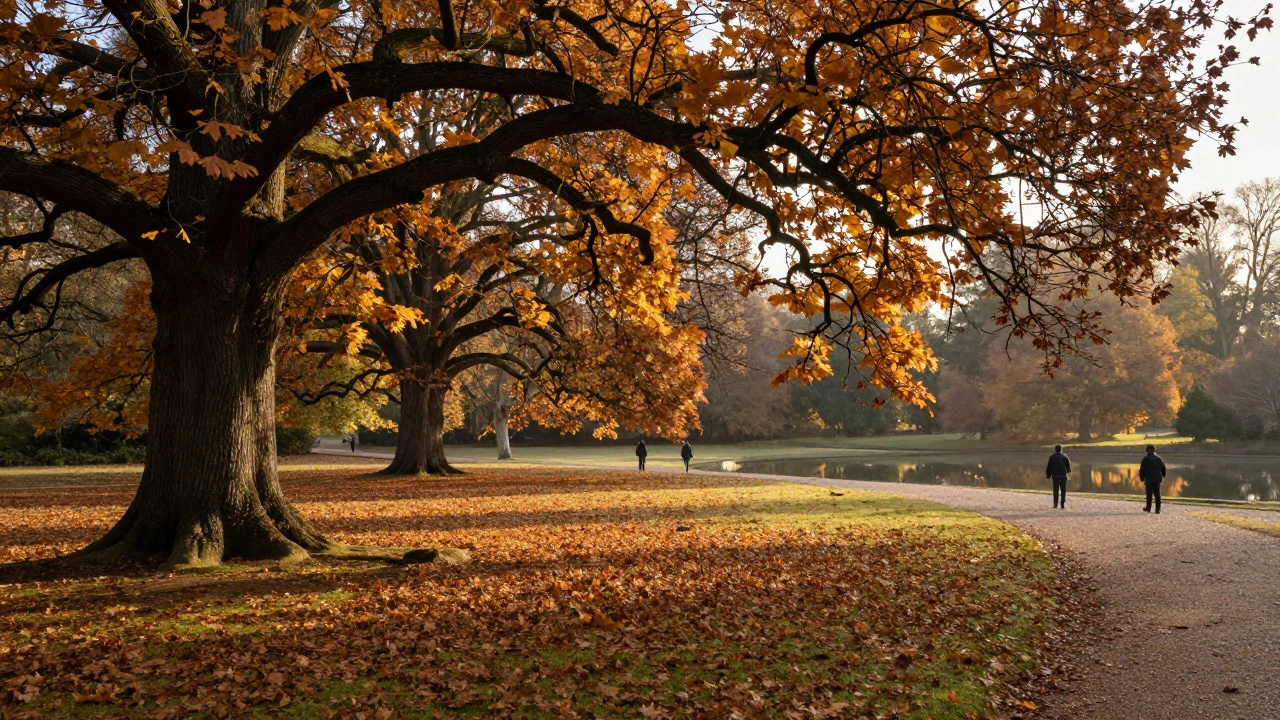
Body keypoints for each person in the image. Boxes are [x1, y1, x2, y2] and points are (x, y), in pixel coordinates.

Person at [1139, 444, 1167, 513]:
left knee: (1149, 494)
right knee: (1157, 494)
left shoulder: (1145, 459)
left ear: (1147, 451)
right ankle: (1158, 509)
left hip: (1149, 478)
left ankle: (1148, 507)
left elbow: (1142, 469)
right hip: (1157, 478)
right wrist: (1163, 476)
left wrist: (1142, 478)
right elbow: (1163, 469)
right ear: (1154, 450)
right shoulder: (1159, 459)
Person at [1045, 444, 1071, 509]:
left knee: (1055, 490)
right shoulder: (1065, 456)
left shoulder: (1052, 457)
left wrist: (1048, 475)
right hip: (1063, 475)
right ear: (1061, 449)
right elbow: (1068, 466)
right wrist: (1068, 472)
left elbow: (1049, 467)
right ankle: (1062, 504)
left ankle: (1055, 504)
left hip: (1055, 475)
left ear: (1055, 449)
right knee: (1063, 490)